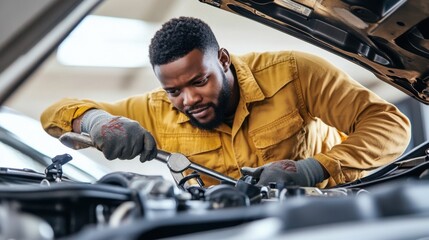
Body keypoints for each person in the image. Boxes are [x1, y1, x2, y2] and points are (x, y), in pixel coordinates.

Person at [40, 16, 411, 188]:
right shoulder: (157, 109)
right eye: (174, 91)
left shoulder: (294, 73)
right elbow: (54, 112)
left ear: (223, 60)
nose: (188, 99)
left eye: (199, 81)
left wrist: (317, 168)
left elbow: (390, 125)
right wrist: (95, 122)